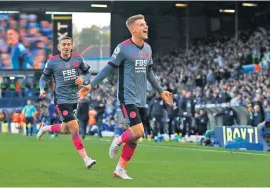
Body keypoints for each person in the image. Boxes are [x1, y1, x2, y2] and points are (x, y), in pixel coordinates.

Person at [78, 14, 173, 179]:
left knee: (137, 136)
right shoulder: (123, 48)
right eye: (142, 24)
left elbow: (149, 73)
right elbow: (108, 69)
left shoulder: (148, 49)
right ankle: (118, 139)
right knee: (138, 130)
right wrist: (91, 85)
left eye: (146, 24)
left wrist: (161, 91)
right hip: (126, 96)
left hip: (141, 98)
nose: (146, 27)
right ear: (133, 29)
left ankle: (119, 169)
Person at [37, 36, 96, 169]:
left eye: (68, 44)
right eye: (63, 44)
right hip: (61, 100)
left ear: (71, 46)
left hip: (73, 99)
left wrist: (83, 79)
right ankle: (86, 159)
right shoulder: (52, 62)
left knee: (65, 130)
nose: (66, 46)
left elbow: (87, 74)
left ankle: (45, 128)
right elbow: (43, 78)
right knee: (75, 128)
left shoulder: (78, 58)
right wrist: (42, 89)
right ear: (59, 47)